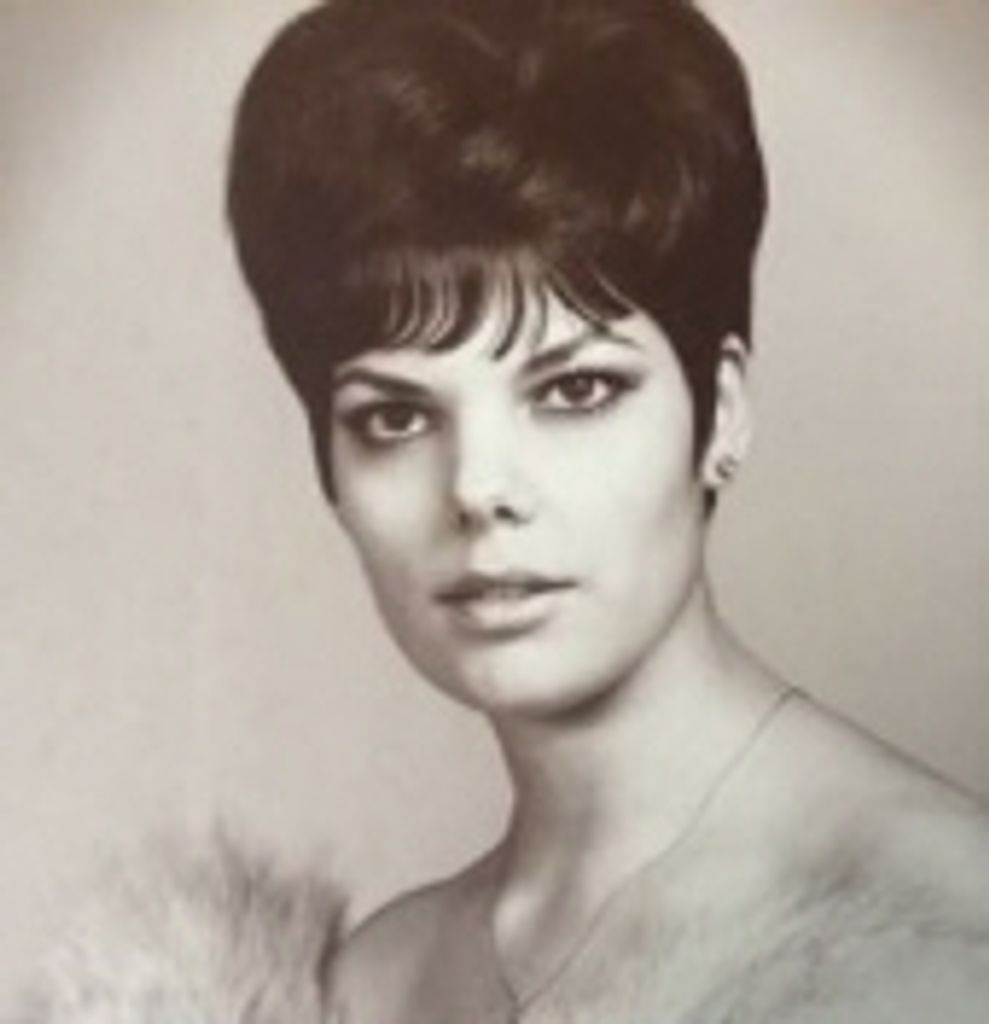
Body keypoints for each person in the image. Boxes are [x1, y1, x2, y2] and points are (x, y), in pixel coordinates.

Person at [226, 0, 989, 1019]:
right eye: (395, 416)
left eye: (573, 390)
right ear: (327, 462)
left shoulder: (932, 935)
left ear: (720, 413)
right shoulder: (372, 982)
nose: (478, 486)